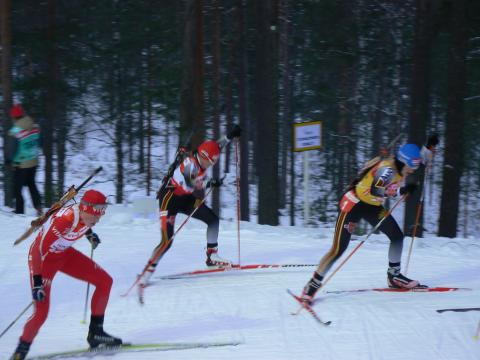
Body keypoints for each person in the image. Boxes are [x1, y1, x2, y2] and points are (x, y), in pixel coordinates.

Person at [300, 138, 438, 305]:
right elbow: (377, 190)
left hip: (372, 206)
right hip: (355, 204)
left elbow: (420, 158)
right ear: (403, 162)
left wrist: (429, 147)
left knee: (396, 236)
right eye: (411, 167)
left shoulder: (404, 163)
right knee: (338, 248)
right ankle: (311, 287)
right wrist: (402, 190)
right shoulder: (388, 170)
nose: (412, 170)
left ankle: (394, 276)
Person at [10, 190, 122, 360]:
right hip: (43, 261)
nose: (98, 221)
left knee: (105, 281)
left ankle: (96, 333)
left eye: (99, 217)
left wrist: (90, 235)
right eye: (96, 217)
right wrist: (37, 282)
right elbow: (37, 250)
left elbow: (84, 224)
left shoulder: (85, 215)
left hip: (64, 255)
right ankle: (20, 352)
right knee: (41, 313)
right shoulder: (65, 220)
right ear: (86, 209)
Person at [137, 125, 242, 296]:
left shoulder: (204, 155)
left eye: (213, 161)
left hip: (185, 198)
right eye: (211, 161)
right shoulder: (190, 166)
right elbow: (192, 184)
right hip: (170, 199)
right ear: (202, 156)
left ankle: (212, 256)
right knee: (166, 241)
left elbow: (218, 145)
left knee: (213, 220)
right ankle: (145, 274)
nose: (211, 163)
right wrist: (211, 183)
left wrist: (230, 135)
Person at [6, 104, 42, 215]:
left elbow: (13, 148)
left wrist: (9, 159)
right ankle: (38, 207)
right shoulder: (35, 126)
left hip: (21, 165)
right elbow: (40, 142)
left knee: (17, 189)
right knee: (32, 184)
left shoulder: (15, 131)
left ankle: (19, 211)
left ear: (13, 116)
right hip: (34, 162)